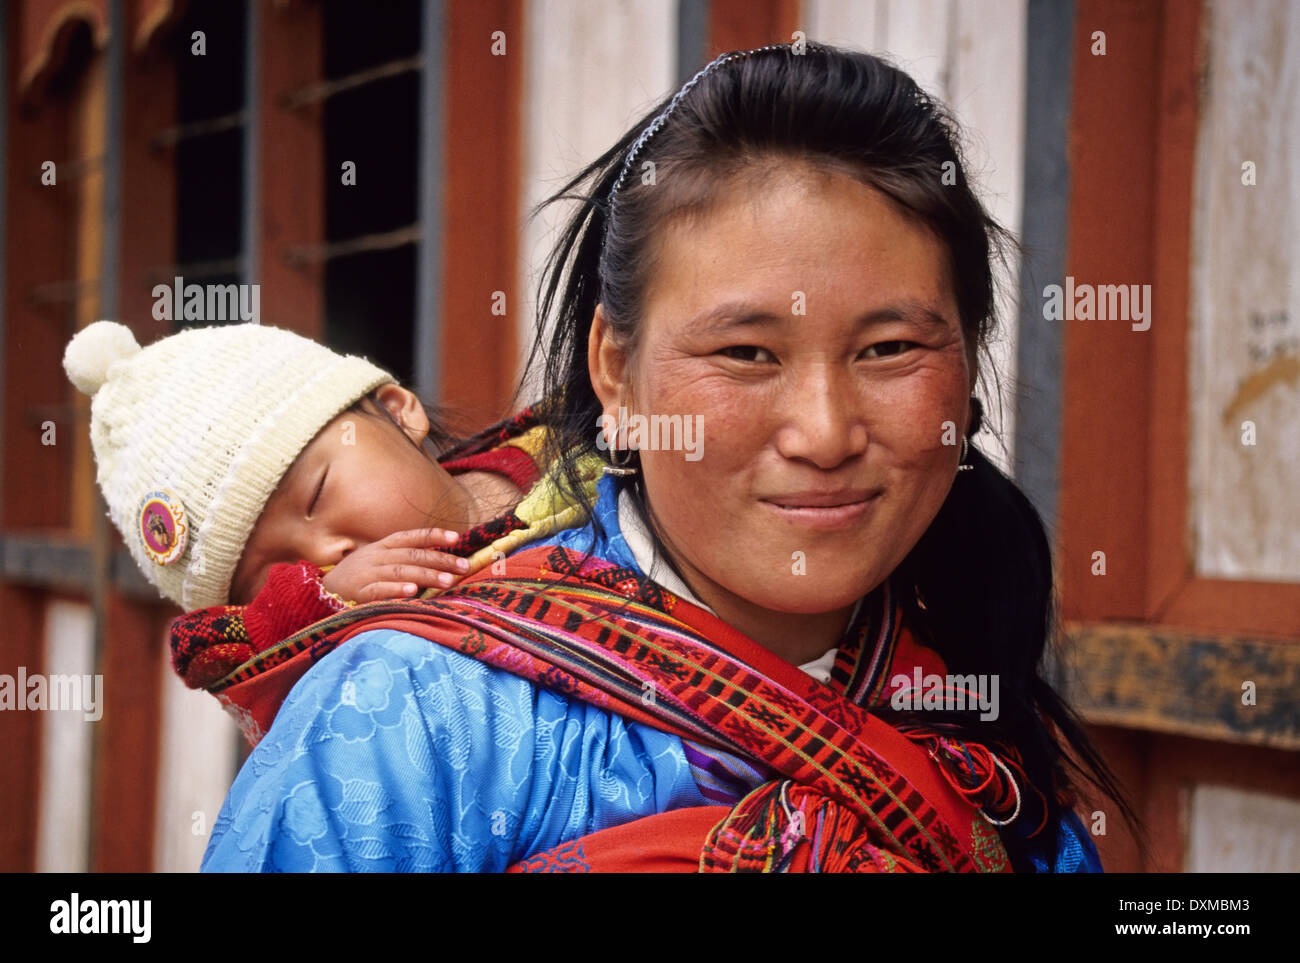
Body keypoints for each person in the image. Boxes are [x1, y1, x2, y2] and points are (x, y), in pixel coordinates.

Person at [120, 43, 1143, 872]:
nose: (826, 432)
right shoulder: (403, 720)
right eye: (745, 354)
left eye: (888, 350)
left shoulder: (969, 714)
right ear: (614, 368)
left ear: (966, 368)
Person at [62, 320, 584, 744]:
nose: (329, 555)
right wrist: (316, 602)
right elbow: (242, 665)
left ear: (397, 413)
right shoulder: (369, 664)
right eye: (282, 575)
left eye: (315, 497)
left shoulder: (592, 443)